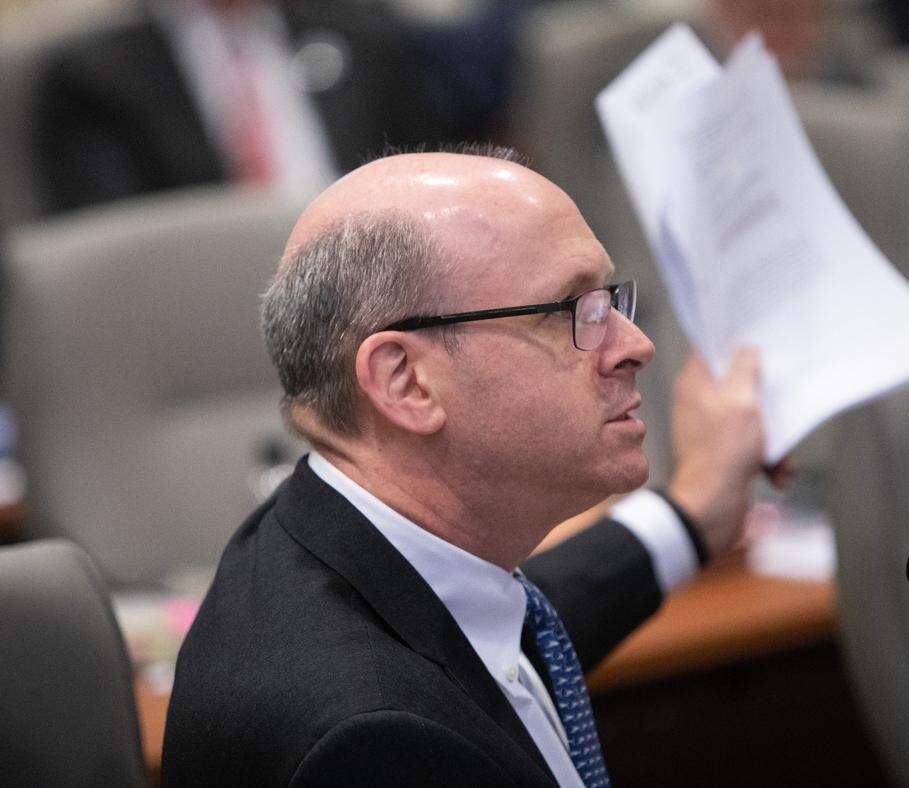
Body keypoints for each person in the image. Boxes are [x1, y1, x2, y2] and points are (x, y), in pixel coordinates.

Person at [161, 146, 787, 786]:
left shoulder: (322, 545)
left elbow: (499, 630)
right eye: (573, 311)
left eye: (609, 301)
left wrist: (695, 513)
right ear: (406, 382)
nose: (636, 346)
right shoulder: (374, 745)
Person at [32, 0, 511, 214]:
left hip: (376, 284)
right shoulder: (95, 78)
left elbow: (432, 173)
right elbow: (121, 250)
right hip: (209, 313)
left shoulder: (362, 32)